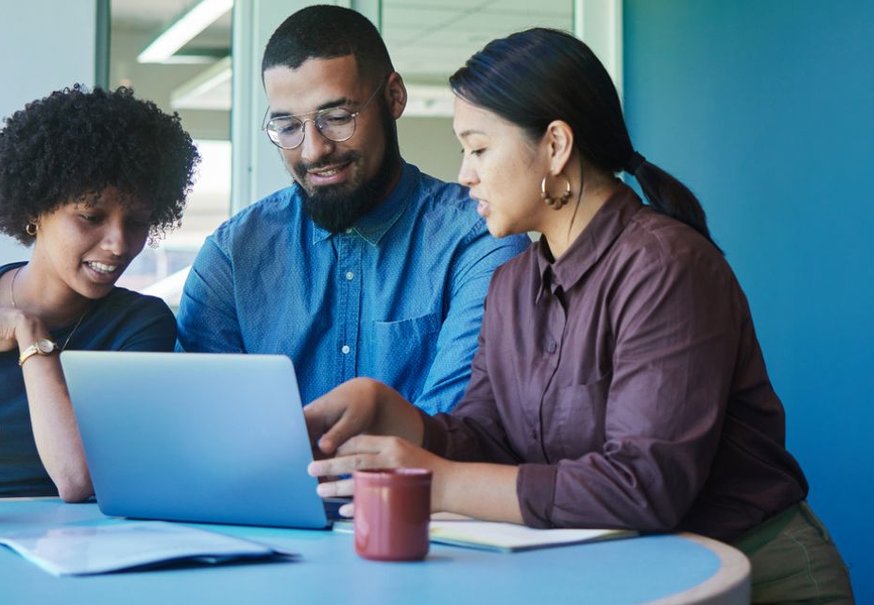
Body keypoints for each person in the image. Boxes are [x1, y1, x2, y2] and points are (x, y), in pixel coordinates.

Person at [303, 28, 855, 603]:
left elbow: (644, 487)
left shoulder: (666, 267)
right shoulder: (512, 284)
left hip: (751, 577)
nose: (465, 173)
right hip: (634, 576)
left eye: (479, 147)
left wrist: (437, 482)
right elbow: (490, 437)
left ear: (556, 146)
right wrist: (400, 418)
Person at [176, 5, 528, 412]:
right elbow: (205, 427)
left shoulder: (479, 237)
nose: (314, 150)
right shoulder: (232, 257)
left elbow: (457, 425)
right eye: (288, 127)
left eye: (337, 117)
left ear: (394, 96)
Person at [0, 85, 199, 501]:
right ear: (37, 209)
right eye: (92, 217)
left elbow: (79, 478)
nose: (118, 243)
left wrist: (29, 336)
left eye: (137, 222)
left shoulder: (139, 326)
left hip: (71, 538)